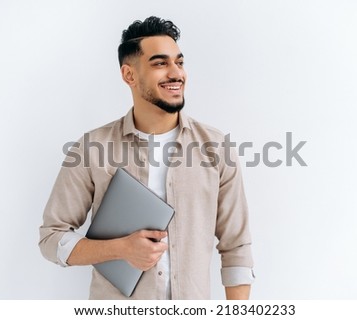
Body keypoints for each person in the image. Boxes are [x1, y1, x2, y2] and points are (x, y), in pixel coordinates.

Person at [39, 16, 254, 300]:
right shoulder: (91, 148)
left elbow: (236, 247)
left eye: (179, 61)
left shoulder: (215, 148)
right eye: (160, 63)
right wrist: (120, 249)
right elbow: (51, 238)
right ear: (129, 75)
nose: (176, 73)